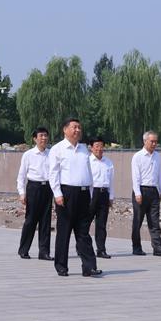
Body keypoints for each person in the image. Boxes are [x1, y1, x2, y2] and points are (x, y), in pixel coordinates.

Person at [48, 117, 101, 277]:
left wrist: (91, 192)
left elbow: (88, 172)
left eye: (79, 127)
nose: (77, 130)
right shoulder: (57, 149)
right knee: (64, 232)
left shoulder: (85, 149)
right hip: (66, 193)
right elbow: (53, 173)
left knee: (83, 232)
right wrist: (57, 194)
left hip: (84, 193)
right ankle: (61, 266)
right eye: (74, 127)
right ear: (65, 129)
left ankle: (89, 267)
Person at [16, 127, 52, 260]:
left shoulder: (51, 153)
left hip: (48, 188)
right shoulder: (28, 154)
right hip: (34, 188)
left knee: (45, 221)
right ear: (35, 138)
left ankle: (44, 252)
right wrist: (22, 193)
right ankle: (24, 249)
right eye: (41, 136)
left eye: (46, 136)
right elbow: (21, 176)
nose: (44, 138)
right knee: (31, 220)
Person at [131, 130, 161, 256]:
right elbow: (135, 176)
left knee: (154, 221)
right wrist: (137, 193)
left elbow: (160, 174)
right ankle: (136, 247)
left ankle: (157, 247)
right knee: (138, 221)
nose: (154, 144)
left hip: (153, 191)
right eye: (152, 141)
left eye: (156, 142)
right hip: (141, 190)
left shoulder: (157, 156)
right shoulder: (138, 156)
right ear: (145, 141)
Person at [88, 136, 115, 259]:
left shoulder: (108, 162)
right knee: (85, 223)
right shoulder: (87, 162)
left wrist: (111, 197)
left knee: (101, 224)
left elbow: (111, 181)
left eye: (101, 146)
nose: (99, 149)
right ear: (91, 147)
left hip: (104, 194)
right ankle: (82, 247)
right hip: (91, 193)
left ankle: (101, 249)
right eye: (96, 146)